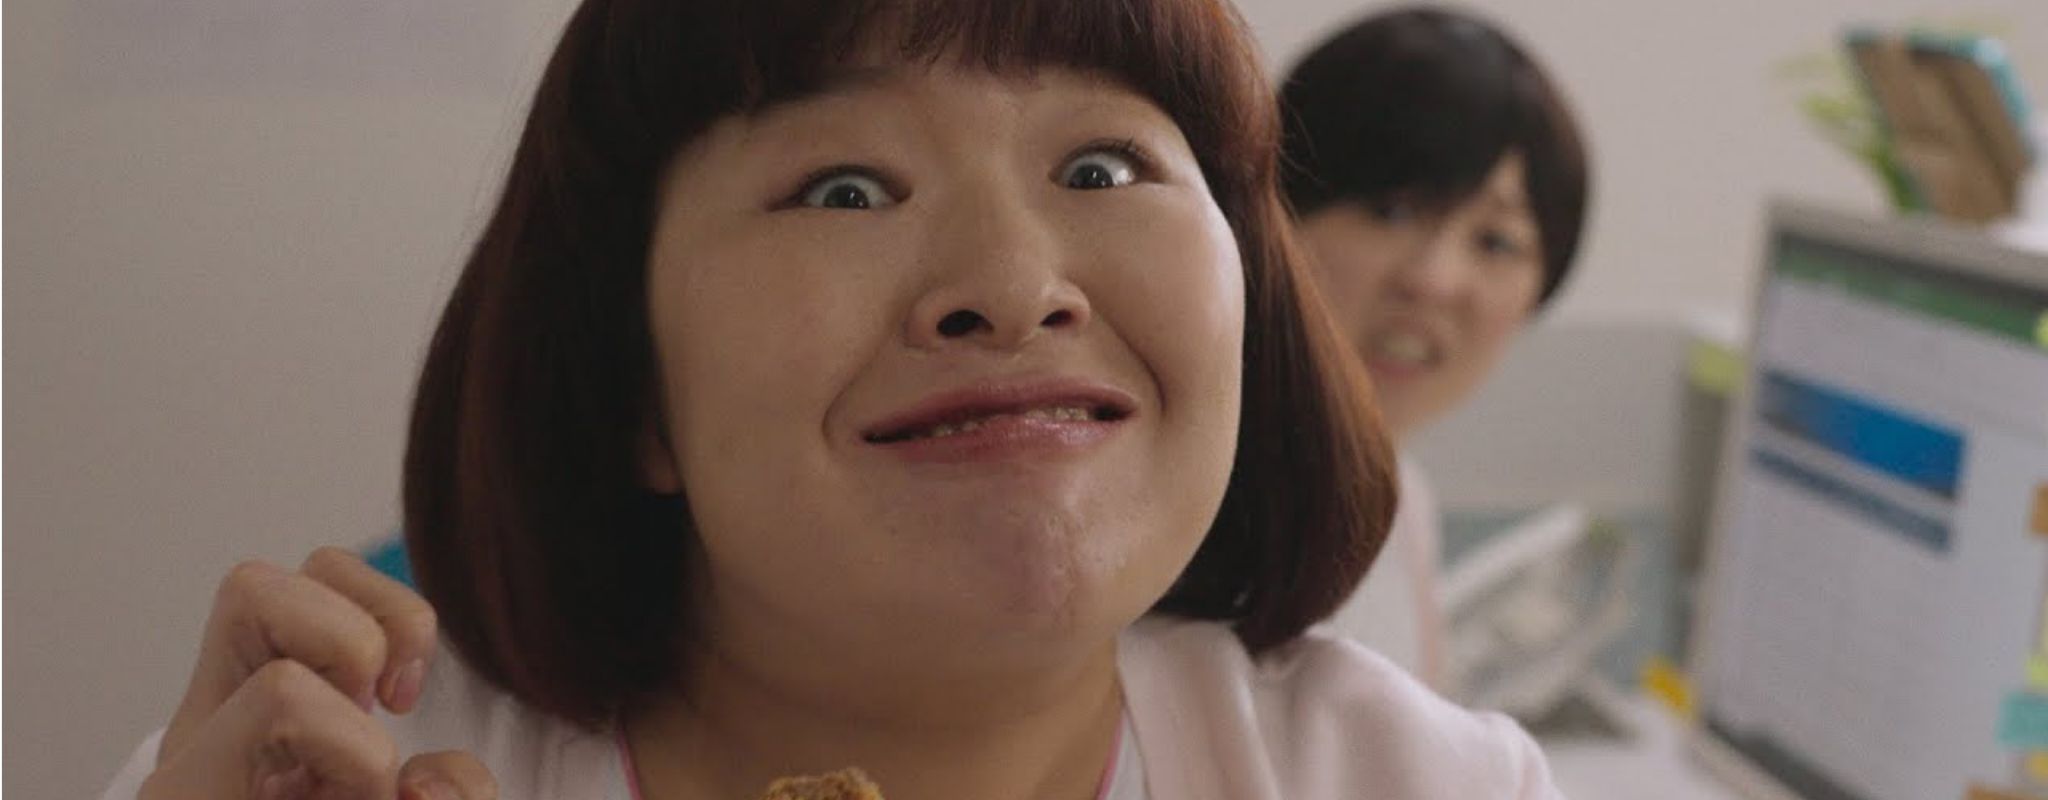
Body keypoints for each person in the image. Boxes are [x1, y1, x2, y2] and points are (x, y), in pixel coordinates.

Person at [103, 1, 1564, 798]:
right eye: (844, 187)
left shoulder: (1415, 784)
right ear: (633, 385)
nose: (1012, 285)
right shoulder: (325, 772)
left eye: (1101, 167)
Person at [1279, 6, 1592, 689]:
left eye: (1495, 242)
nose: (1434, 280)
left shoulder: (1395, 498)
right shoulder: (1204, 526)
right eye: (1392, 211)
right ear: (1270, 213)